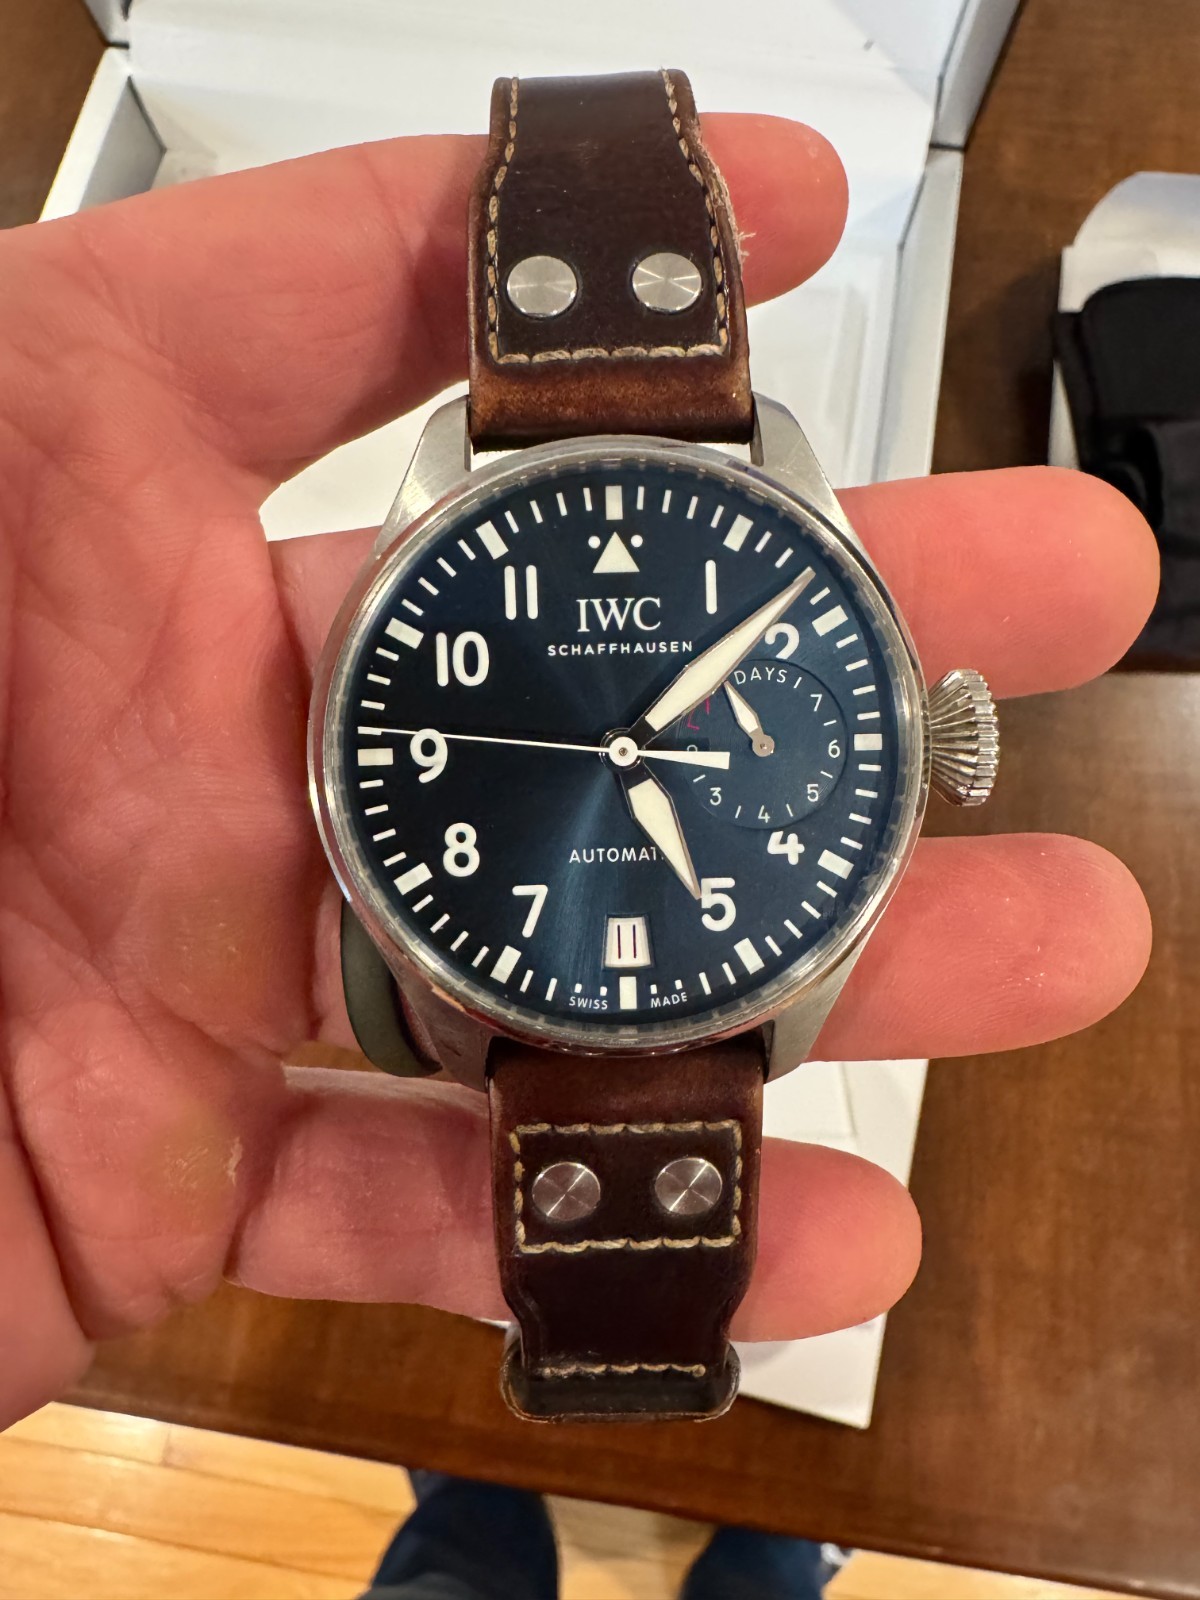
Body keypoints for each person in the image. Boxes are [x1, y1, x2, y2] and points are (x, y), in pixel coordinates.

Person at [0, 110, 1154, 1592]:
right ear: (944, 740)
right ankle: (658, 1554)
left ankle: (472, 1533)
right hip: (518, 962)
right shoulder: (551, 523)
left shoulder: (517, 502)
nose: (623, 757)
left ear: (929, 742)